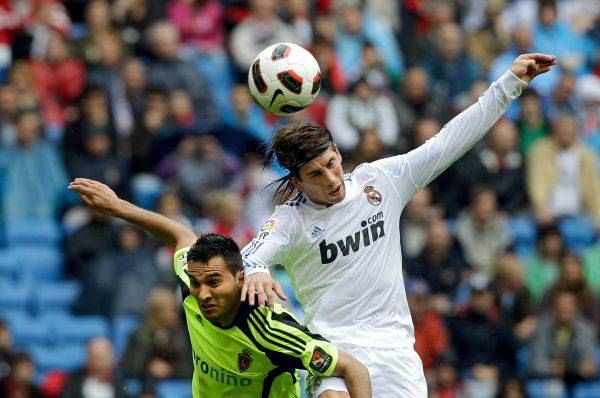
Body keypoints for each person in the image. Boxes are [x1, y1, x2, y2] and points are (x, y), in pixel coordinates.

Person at [241, 53, 557, 397]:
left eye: (331, 163)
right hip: (334, 351)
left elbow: (448, 142)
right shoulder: (290, 219)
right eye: (316, 175)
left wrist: (509, 84)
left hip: (394, 351)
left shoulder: (380, 181)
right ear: (298, 182)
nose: (332, 179)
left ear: (337, 151)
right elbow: (248, 258)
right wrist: (256, 269)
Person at [68, 178, 371, 398]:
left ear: (241, 278)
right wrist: (118, 207)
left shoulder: (271, 329)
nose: (203, 294)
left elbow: (354, 370)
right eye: (197, 283)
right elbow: (181, 232)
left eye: (214, 282)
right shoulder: (192, 279)